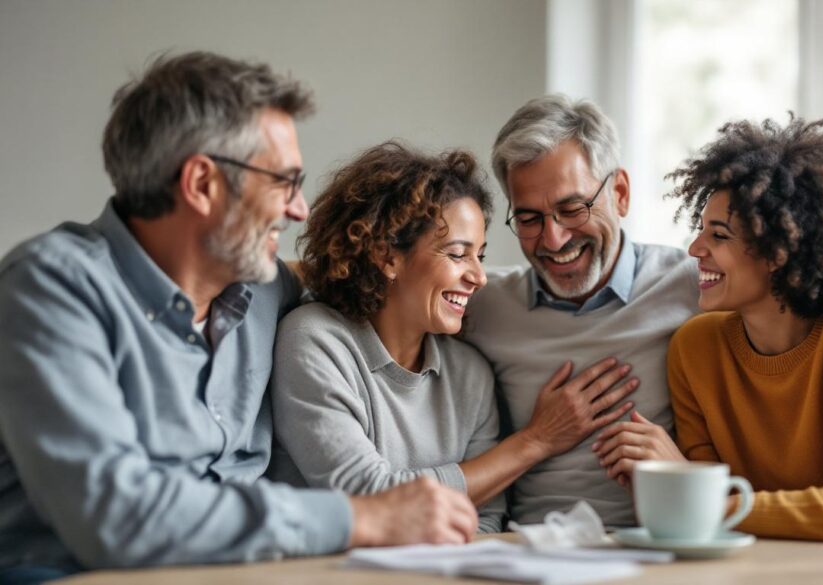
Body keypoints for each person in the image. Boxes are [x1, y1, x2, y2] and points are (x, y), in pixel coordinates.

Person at [0, 52, 476, 581]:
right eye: (284, 182)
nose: (298, 209)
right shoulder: (52, 289)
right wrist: (360, 516)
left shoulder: (264, 287)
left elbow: (365, 271)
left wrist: (475, 277)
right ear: (202, 183)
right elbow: (115, 517)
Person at [462, 95, 823, 527]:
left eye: (573, 209)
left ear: (621, 194)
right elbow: (407, 312)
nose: (553, 238)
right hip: (539, 544)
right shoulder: (480, 303)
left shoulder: (694, 286)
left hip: (672, 543)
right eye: (528, 217)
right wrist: (538, 438)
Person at [594, 117, 823, 545]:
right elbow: (722, 514)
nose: (694, 249)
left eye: (719, 235)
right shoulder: (695, 348)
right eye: (700, 229)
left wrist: (695, 497)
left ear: (778, 251)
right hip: (768, 561)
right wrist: (688, 486)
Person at [270, 142, 638, 533]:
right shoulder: (314, 342)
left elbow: (487, 520)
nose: (479, 277)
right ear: (387, 257)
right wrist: (535, 441)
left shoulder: (469, 373)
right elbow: (369, 496)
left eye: (480, 255)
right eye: (458, 254)